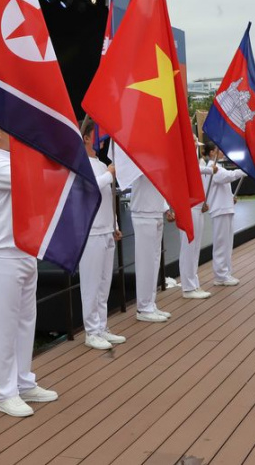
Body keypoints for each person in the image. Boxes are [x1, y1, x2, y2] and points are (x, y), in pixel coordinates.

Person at [0, 124, 58, 417]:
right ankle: (4, 393)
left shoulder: (16, 162)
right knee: (3, 327)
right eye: (12, 129)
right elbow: (36, 179)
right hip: (4, 255)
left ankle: (23, 382)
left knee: (25, 323)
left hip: (26, 251)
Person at [78, 122, 124, 350]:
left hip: (106, 230)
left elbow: (108, 198)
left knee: (104, 284)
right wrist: (109, 174)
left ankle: (102, 326)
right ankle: (91, 331)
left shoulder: (102, 165)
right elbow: (89, 188)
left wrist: (114, 224)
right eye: (96, 135)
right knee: (91, 284)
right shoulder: (79, 164)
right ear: (86, 138)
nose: (102, 140)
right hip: (91, 232)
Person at [173, 142, 216, 299]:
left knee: (195, 247)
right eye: (193, 143)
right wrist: (209, 170)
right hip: (188, 207)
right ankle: (188, 287)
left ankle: (193, 283)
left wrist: (204, 202)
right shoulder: (183, 159)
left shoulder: (197, 161)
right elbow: (190, 169)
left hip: (197, 207)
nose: (196, 147)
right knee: (188, 247)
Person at [130, 164, 171, 322]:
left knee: (154, 262)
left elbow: (158, 183)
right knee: (145, 263)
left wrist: (165, 207)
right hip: (143, 213)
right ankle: (143, 307)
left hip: (156, 211)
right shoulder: (136, 158)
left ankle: (150, 303)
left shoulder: (156, 159)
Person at [202, 142, 245, 287]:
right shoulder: (211, 168)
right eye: (218, 150)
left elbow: (222, 184)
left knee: (227, 244)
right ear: (212, 153)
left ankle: (226, 273)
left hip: (225, 208)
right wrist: (243, 171)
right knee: (221, 244)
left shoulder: (218, 167)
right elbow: (226, 177)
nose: (222, 152)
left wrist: (230, 197)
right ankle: (220, 276)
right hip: (219, 209)